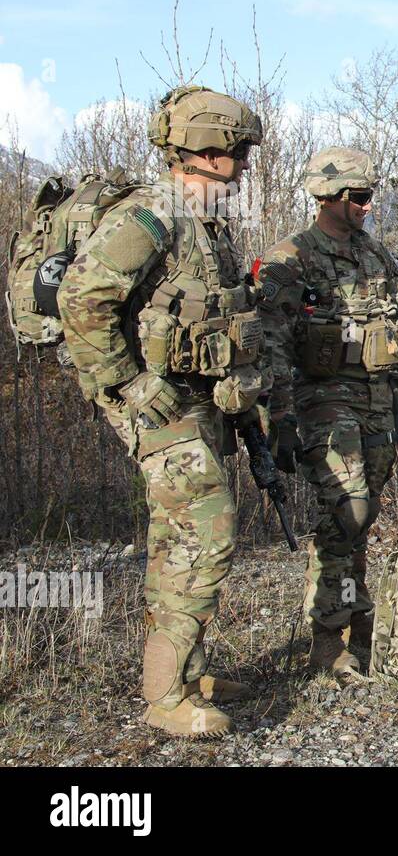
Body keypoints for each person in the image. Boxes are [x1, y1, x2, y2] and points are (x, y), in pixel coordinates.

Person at [59, 85, 266, 735]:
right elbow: (80, 300)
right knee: (209, 530)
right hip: (160, 403)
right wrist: (129, 384)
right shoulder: (151, 217)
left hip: (200, 401)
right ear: (209, 149)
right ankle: (163, 695)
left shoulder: (207, 227)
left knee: (179, 537)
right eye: (239, 150)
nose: (246, 164)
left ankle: (189, 672)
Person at [255, 146, 398, 675]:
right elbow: (271, 341)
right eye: (359, 197)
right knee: (344, 513)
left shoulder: (377, 255)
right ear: (326, 196)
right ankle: (329, 639)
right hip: (325, 402)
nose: (367, 206)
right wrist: (278, 418)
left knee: (362, 518)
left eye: (371, 196)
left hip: (379, 399)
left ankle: (358, 621)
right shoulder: (292, 256)